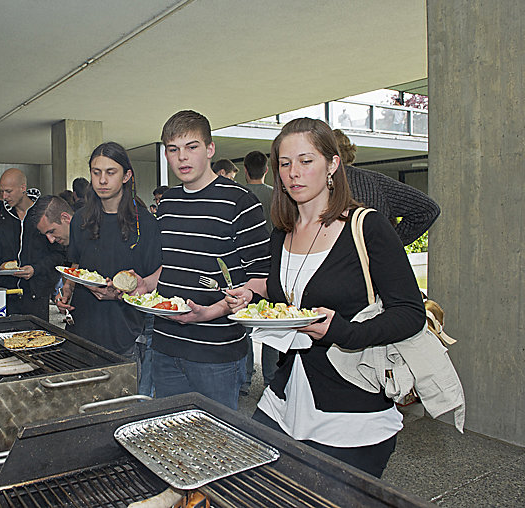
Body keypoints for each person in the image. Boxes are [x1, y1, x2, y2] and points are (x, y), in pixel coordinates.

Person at [228, 117, 425, 478]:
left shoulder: (366, 226)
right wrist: (252, 299)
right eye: (285, 164)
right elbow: (291, 297)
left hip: (351, 408)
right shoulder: (283, 231)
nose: (293, 174)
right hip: (286, 395)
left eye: (306, 161)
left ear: (332, 164)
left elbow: (411, 313)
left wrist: (344, 332)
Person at [136, 110, 271, 410]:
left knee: (218, 446)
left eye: (191, 147)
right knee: (171, 441)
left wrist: (211, 311)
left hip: (216, 353)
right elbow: (171, 264)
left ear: (210, 149)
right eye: (173, 150)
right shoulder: (167, 203)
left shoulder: (241, 202)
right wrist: (143, 284)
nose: (182, 158)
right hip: (165, 345)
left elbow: (262, 279)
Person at [56, 143, 161, 388]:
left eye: (110, 172)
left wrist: (123, 293)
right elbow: (77, 264)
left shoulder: (144, 223)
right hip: (82, 329)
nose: (102, 180)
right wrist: (67, 288)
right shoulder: (81, 218)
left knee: (122, 408)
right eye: (96, 172)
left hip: (124, 333)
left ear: (126, 176)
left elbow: (154, 279)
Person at [333, 129, 440, 245]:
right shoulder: (375, 181)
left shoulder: (320, 183)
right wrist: (390, 243)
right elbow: (428, 209)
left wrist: (391, 242)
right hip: (374, 258)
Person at [0, 168, 64, 320]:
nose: (4, 197)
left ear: (23, 188)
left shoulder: (43, 213)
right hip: (9, 294)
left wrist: (35, 269)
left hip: (37, 294)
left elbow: (59, 256)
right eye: (2, 192)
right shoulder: (3, 217)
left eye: (8, 191)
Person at [243, 149, 276, 387]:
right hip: (272, 267)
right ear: (266, 170)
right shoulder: (276, 196)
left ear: (245, 171)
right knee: (271, 324)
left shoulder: (239, 195)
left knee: (243, 324)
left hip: (243, 270)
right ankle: (271, 378)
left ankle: (244, 379)